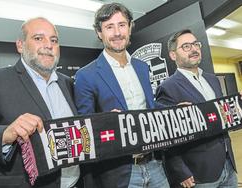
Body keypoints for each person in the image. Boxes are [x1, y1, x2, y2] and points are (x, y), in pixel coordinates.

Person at [0, 17, 80, 188]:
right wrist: (5, 134)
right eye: (38, 38)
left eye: (54, 40)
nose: (48, 45)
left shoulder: (67, 83)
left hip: (73, 183)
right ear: (20, 45)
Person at [74, 3, 169, 188]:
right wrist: (106, 120)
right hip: (120, 173)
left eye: (122, 25)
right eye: (109, 27)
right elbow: (83, 125)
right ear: (99, 33)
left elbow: (149, 107)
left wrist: (176, 111)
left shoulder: (142, 67)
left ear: (130, 27)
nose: (117, 33)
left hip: (155, 164)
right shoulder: (86, 75)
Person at [155, 29, 237, 188]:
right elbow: (167, 135)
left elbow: (221, 116)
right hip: (198, 174)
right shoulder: (167, 88)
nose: (193, 49)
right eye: (186, 46)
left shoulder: (212, 80)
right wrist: (180, 171)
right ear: (173, 55)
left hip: (227, 164)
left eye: (195, 44)